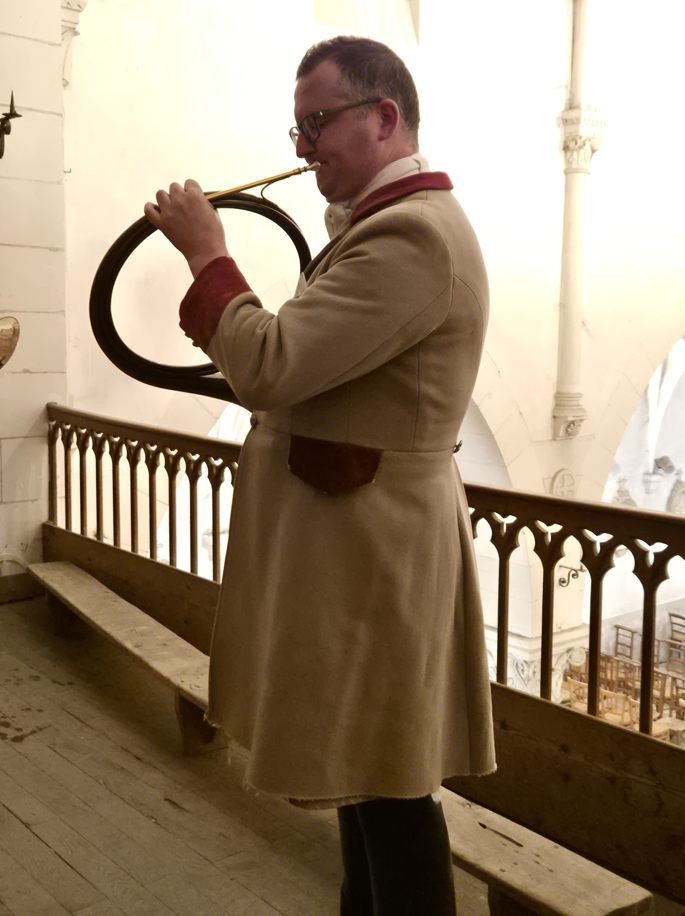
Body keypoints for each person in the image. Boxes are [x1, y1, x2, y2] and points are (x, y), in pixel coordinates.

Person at [145, 35, 495, 916]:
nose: (302, 148)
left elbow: (270, 365)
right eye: (296, 128)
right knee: (365, 780)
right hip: (358, 547)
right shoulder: (380, 228)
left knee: (392, 790)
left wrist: (207, 255)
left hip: (378, 553)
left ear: (385, 117)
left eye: (318, 123)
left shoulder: (414, 236)